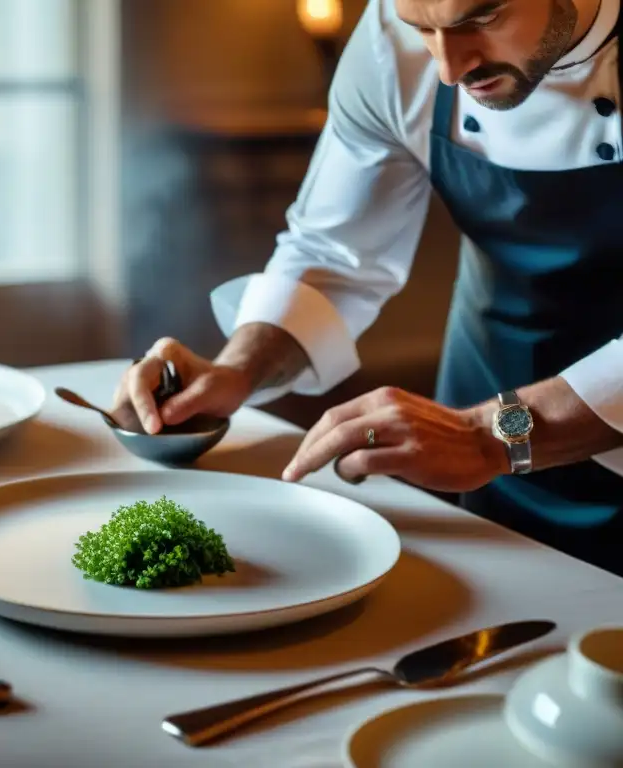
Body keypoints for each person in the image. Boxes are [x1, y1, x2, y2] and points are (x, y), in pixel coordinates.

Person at [115, 0, 623, 577]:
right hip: (485, 414)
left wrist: (491, 434)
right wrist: (237, 368)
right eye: (422, 28)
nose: (450, 68)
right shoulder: (390, 43)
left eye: (479, 19)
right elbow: (335, 252)